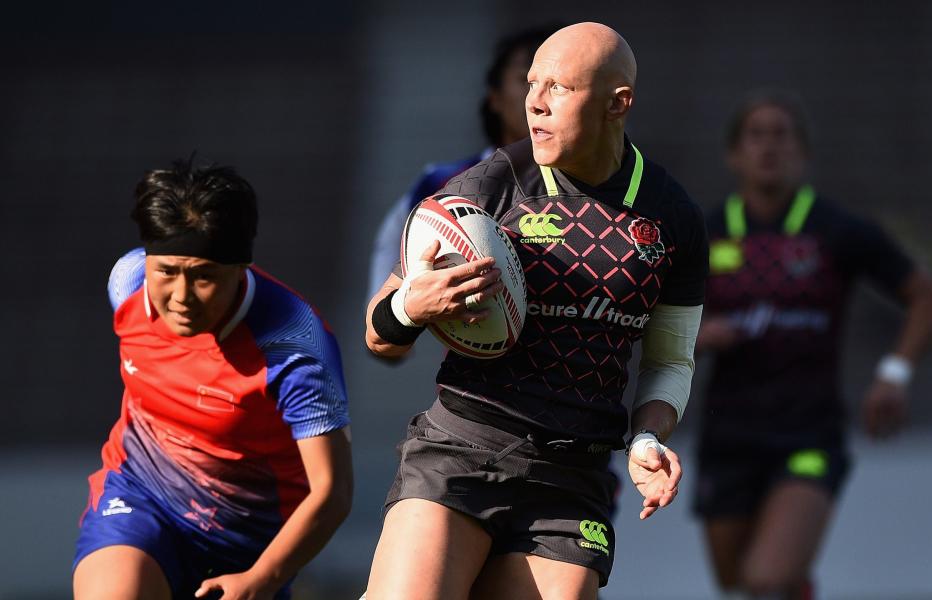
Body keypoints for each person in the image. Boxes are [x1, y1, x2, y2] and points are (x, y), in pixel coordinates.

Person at [363, 22, 708, 599]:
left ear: (617, 103)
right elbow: (380, 338)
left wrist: (646, 439)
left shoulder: (673, 218)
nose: (535, 104)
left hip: (571, 481)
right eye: (532, 84)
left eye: (560, 88)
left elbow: (670, 362)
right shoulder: (488, 188)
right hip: (460, 449)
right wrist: (410, 305)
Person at [693, 91, 932, 599]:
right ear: (734, 154)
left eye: (781, 134)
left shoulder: (837, 230)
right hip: (727, 435)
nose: (769, 147)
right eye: (757, 135)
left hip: (807, 433)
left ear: (803, 152)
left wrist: (893, 374)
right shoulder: (707, 233)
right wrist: (696, 337)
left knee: (765, 578)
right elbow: (658, 318)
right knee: (735, 580)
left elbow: (930, 300)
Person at [72, 159, 353, 600]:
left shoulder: (293, 346)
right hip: (140, 496)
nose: (180, 297)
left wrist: (261, 579)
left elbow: (332, 492)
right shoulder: (127, 282)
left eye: (204, 276)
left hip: (250, 549)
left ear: (242, 267)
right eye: (166, 271)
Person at [367, 25, 558, 298]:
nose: (541, 96)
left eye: (559, 84)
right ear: (495, 98)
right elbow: (382, 305)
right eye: (527, 80)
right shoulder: (440, 185)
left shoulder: (606, 186)